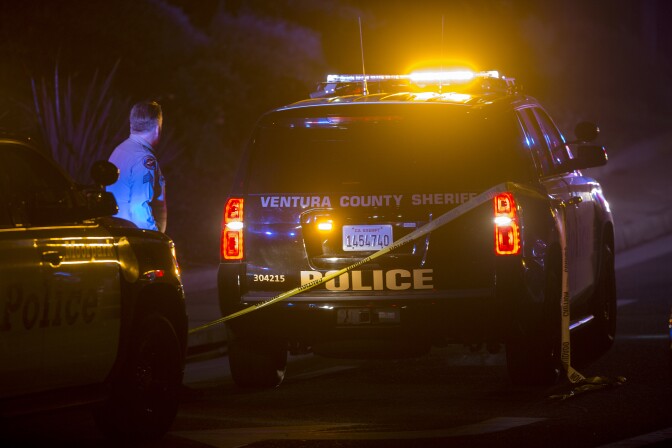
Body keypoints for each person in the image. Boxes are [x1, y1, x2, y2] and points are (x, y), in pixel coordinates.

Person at [107, 101, 167, 232]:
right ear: (157, 128)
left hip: (119, 231)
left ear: (131, 125)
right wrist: (155, 237)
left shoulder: (120, 150)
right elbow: (138, 207)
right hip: (138, 238)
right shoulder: (144, 159)